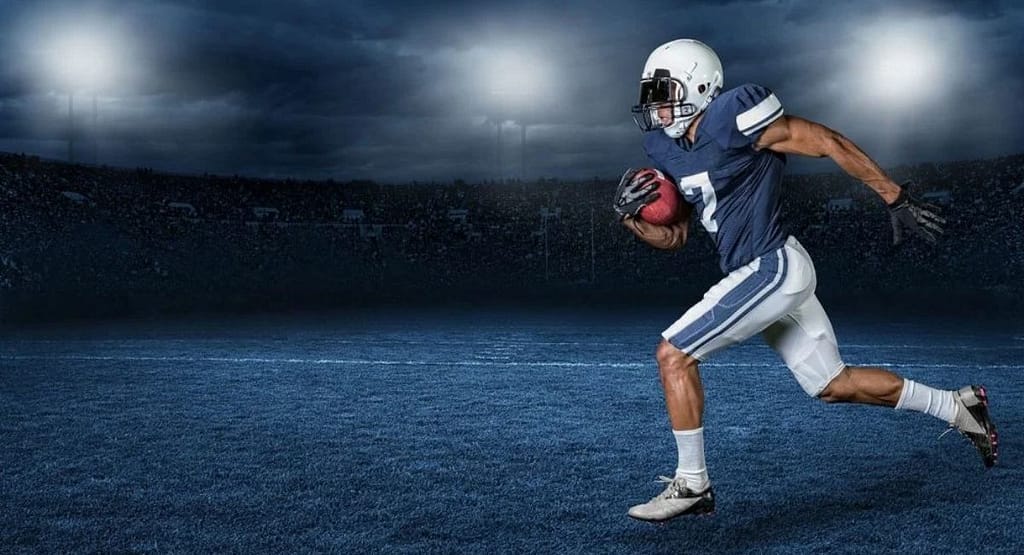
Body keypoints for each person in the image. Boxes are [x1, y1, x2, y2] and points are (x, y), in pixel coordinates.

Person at [613, 39, 998, 523]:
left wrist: (894, 198)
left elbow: (828, 141)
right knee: (833, 384)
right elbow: (676, 237)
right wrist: (632, 218)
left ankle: (693, 483)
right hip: (763, 273)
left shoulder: (734, 115)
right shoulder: (667, 150)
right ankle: (959, 407)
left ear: (699, 84)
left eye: (663, 90)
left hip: (770, 265)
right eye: (651, 93)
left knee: (673, 354)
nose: (655, 104)